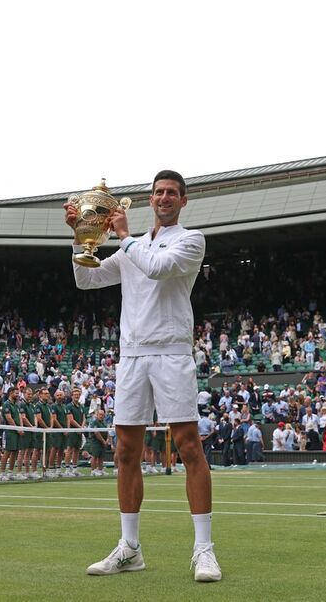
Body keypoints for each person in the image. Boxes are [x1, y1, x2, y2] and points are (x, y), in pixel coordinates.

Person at [68, 170, 220, 582]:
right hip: (132, 355)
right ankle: (129, 549)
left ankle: (204, 550)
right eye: (158, 192)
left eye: (171, 192)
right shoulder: (131, 248)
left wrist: (122, 235)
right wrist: (82, 237)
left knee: (189, 447)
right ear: (150, 199)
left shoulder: (191, 240)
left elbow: (155, 268)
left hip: (171, 352)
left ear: (183, 201)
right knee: (125, 453)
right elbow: (87, 279)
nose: (164, 197)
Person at [87, 407, 111, 476]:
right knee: (95, 456)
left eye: (103, 415)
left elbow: (107, 431)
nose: (101, 416)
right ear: (97, 415)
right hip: (95, 442)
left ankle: (100, 470)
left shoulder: (104, 422)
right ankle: (93, 470)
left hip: (103, 442)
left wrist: (107, 440)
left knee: (101, 456)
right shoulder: (94, 422)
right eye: (100, 414)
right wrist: (103, 441)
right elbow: (96, 433)